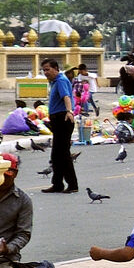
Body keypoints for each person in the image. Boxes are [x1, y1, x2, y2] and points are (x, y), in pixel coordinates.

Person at [0, 153, 33, 268]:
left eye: (7, 174)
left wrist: (7, 248)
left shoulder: (22, 200)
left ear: (15, 174)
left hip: (3, 257)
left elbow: (24, 234)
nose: (2, 179)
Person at [39, 58, 78, 193]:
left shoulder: (60, 80)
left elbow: (66, 97)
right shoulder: (55, 81)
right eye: (44, 70)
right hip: (57, 119)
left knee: (63, 154)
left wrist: (69, 111)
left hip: (63, 118)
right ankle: (57, 184)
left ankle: (72, 185)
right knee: (56, 155)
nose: (45, 72)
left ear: (56, 68)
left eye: (48, 69)